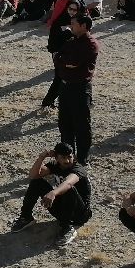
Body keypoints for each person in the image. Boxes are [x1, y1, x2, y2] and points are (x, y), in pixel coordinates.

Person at [10, 143, 92, 247]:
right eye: (63, 157)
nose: (67, 161)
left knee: (68, 189)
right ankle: (26, 217)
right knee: (36, 182)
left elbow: (68, 183)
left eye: (69, 157)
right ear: (56, 157)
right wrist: (41, 157)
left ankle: (67, 228)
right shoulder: (55, 165)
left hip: (80, 214)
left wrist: (53, 193)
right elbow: (33, 175)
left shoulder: (78, 169)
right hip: (63, 209)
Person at [54, 14, 98, 164]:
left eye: (73, 23)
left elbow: (73, 62)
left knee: (81, 125)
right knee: (65, 124)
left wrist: (63, 61)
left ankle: (82, 157)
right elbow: (57, 58)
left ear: (84, 26)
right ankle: (68, 156)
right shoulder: (71, 41)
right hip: (65, 87)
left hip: (80, 88)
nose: (70, 26)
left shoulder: (90, 44)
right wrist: (63, 62)